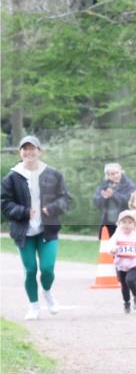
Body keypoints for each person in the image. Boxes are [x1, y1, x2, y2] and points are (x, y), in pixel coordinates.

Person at [1, 135, 74, 320]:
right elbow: (4, 204)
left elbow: (66, 198)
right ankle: (33, 306)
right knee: (31, 270)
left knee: (47, 269)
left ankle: (47, 292)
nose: (29, 152)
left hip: (47, 230)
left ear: (39, 151)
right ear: (20, 152)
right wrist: (24, 211)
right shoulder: (12, 177)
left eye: (32, 148)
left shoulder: (52, 174)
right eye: (25, 148)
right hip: (23, 232)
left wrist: (52, 208)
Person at [108, 210, 136, 314]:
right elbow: (110, 245)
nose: (127, 225)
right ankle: (126, 302)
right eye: (124, 222)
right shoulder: (117, 235)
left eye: (130, 222)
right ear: (118, 224)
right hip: (121, 265)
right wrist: (112, 249)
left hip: (134, 264)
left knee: (130, 280)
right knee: (124, 286)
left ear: (135, 225)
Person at [93, 162, 136, 238]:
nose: (116, 175)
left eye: (117, 173)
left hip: (125, 223)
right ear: (107, 175)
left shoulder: (129, 185)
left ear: (121, 172)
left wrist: (113, 195)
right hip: (107, 222)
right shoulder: (103, 186)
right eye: (112, 174)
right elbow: (96, 202)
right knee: (106, 244)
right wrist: (104, 198)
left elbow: (130, 201)